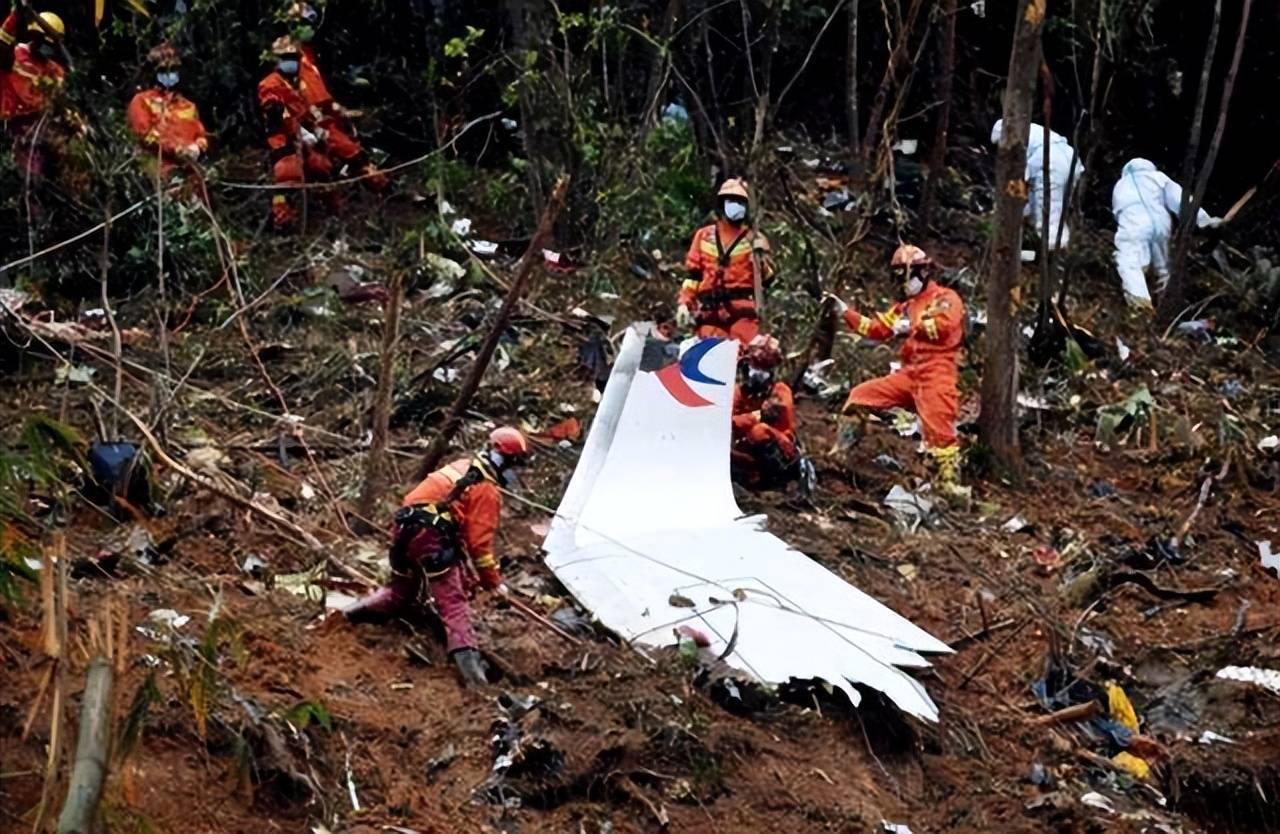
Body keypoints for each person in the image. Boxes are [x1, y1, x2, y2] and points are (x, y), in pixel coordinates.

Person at [343, 427, 529, 686]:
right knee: (454, 605)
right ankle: (476, 682)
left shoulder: (461, 466)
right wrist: (493, 582)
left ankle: (344, 617)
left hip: (404, 529)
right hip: (431, 537)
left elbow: (448, 518)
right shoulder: (486, 489)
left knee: (400, 592)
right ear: (507, 462)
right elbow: (479, 545)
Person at [826, 244, 966, 489]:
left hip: (937, 373)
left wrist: (911, 325)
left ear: (922, 272)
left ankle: (948, 490)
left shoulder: (946, 298)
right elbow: (877, 329)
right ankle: (841, 455)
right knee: (860, 396)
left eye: (905, 275)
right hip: (909, 373)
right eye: (898, 276)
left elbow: (943, 325)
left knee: (940, 434)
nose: (902, 282)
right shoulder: (905, 306)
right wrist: (846, 312)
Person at [282, 2, 387, 189]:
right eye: (303, 24)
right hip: (311, 122)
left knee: (348, 139)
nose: (308, 29)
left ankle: (370, 173)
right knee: (335, 154)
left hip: (327, 115)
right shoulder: (289, 59)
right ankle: (369, 176)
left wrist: (337, 109)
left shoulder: (309, 54)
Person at [1111, 158, 1223, 311]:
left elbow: (1118, 213)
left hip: (1134, 223)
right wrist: (1204, 220)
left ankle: (1141, 307)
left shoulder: (1120, 186)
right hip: (1161, 223)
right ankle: (1166, 309)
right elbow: (1181, 201)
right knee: (1163, 269)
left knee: (1130, 262)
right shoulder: (1158, 177)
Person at [678, 177, 773, 342]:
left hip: (742, 313)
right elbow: (693, 276)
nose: (735, 206)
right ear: (722, 204)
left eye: (740, 202)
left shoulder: (754, 238)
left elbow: (768, 279)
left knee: (743, 356)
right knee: (708, 357)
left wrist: (760, 260)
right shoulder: (704, 236)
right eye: (731, 201)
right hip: (709, 313)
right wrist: (685, 304)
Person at [257, 36, 337, 229]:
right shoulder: (269, 84)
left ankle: (332, 217)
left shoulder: (298, 84)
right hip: (281, 139)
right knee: (288, 173)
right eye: (285, 58)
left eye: (293, 57)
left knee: (322, 167)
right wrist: (299, 130)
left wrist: (316, 128)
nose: (290, 62)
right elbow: (276, 113)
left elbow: (305, 110)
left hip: (304, 138)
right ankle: (283, 223)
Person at [991, 119, 1082, 250]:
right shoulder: (1031, 130)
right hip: (1069, 157)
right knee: (1056, 209)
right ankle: (1060, 248)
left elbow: (1018, 185)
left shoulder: (1015, 139)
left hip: (1050, 162)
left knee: (1048, 214)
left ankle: (1053, 253)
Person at [0, 3, 66, 178]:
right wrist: (15, 15)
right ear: (33, 36)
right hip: (13, 127)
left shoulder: (56, 72)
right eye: (42, 43)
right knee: (30, 179)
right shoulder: (15, 54)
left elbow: (58, 105)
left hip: (43, 130)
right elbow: (2, 46)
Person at [126, 43, 209, 178]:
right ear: (154, 72)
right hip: (156, 173)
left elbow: (200, 133)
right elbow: (145, 135)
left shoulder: (188, 106)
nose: (170, 75)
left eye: (174, 70)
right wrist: (175, 149)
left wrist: (198, 147)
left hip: (189, 175)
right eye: (164, 71)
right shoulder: (142, 101)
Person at [730, 334, 802, 490]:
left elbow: (784, 430)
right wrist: (754, 416)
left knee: (759, 431)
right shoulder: (740, 392)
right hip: (746, 449)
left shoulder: (780, 391)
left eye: (760, 367)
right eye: (752, 365)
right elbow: (728, 421)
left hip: (781, 451)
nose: (753, 370)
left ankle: (775, 482)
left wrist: (751, 422)